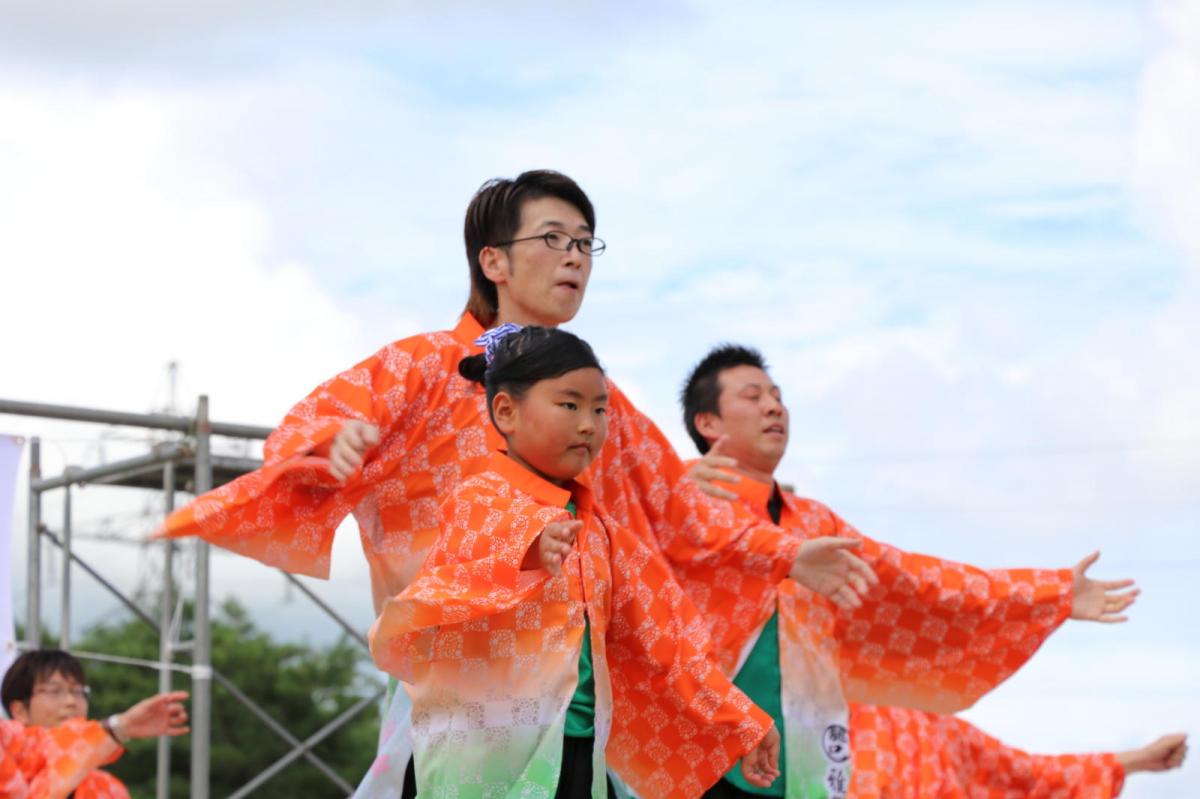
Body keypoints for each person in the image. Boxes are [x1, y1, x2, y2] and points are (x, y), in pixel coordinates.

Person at [157, 171, 1113, 796]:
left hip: (585, 707)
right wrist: (327, 446)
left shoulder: (596, 404)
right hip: (463, 708)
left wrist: (784, 552)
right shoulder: (418, 370)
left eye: (587, 242)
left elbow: (679, 529)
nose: (575, 256)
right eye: (554, 239)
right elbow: (318, 422)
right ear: (493, 262)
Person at [678, 343, 1188, 798]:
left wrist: (1047, 594)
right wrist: (672, 486)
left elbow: (916, 579)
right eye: (752, 396)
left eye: (778, 395)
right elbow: (607, 519)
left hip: (804, 766)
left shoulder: (816, 523)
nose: (774, 406)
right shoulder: (671, 502)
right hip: (699, 752)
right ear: (709, 423)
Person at [370, 325, 844, 797]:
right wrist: (528, 546)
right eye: (569, 404)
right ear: (506, 411)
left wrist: (742, 719)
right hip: (483, 758)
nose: (588, 424)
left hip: (575, 753)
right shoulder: (480, 497)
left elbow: (668, 641)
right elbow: (461, 567)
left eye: (599, 409)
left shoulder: (602, 535)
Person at [0, 648, 189, 799]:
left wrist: (117, 729)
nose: (71, 701)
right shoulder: (6, 750)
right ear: (20, 710)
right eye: (54, 691)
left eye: (78, 691)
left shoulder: (108, 789)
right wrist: (118, 727)